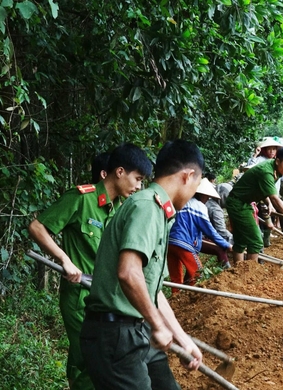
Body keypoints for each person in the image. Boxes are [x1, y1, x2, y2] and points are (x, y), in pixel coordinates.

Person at [80, 139, 204, 388]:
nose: (193, 195)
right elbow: (128, 273)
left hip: (136, 330)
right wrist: (158, 325)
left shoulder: (159, 211)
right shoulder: (148, 207)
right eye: (197, 185)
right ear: (187, 176)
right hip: (116, 336)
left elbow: (152, 292)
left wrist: (182, 338)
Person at [29, 144, 152, 389]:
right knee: (90, 359)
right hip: (79, 295)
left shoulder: (119, 208)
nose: (139, 186)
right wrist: (65, 260)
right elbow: (37, 227)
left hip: (103, 297)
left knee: (89, 354)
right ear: (119, 172)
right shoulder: (82, 199)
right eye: (137, 179)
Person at [226, 146, 283, 263]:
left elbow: (263, 190)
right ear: (277, 161)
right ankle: (249, 274)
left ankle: (238, 271)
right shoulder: (266, 172)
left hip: (243, 202)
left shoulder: (274, 168)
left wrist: (268, 203)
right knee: (256, 241)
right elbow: (276, 199)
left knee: (240, 241)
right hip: (238, 203)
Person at [168, 178, 233, 292]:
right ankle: (191, 298)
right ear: (202, 195)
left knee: (176, 279)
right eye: (207, 196)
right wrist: (227, 245)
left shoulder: (185, 201)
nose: (207, 199)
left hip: (171, 242)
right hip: (184, 242)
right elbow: (210, 232)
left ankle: (176, 302)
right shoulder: (199, 207)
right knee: (199, 273)